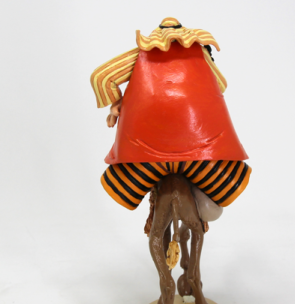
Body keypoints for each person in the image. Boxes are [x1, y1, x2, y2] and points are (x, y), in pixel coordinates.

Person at [90, 17, 251, 210]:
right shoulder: (201, 53)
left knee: (121, 188)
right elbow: (221, 85)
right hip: (203, 158)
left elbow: (101, 77)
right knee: (227, 186)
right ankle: (205, 204)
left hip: (144, 159)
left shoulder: (139, 55)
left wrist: (117, 103)